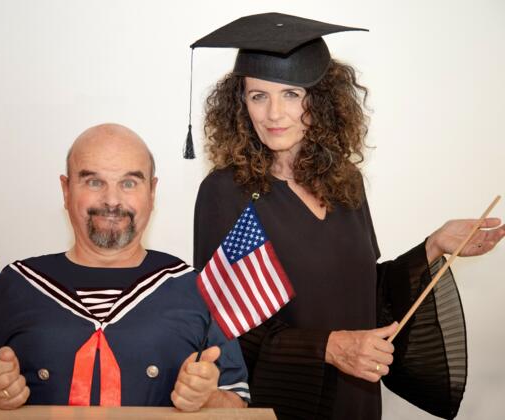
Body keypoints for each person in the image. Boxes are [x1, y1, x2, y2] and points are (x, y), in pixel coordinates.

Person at [191, 13, 505, 420]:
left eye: (292, 94)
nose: (273, 114)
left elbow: (363, 295)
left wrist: (433, 247)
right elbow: (225, 325)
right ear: (240, 103)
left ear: (320, 100)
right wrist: (330, 347)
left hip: (355, 400)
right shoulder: (225, 192)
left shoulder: (345, 182)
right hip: (283, 403)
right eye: (258, 96)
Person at [0, 123, 249, 410]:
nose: (112, 200)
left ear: (152, 192)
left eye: (129, 183)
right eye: (93, 182)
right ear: (66, 190)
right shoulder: (12, 286)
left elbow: (238, 402)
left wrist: (206, 397)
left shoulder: (198, 289)